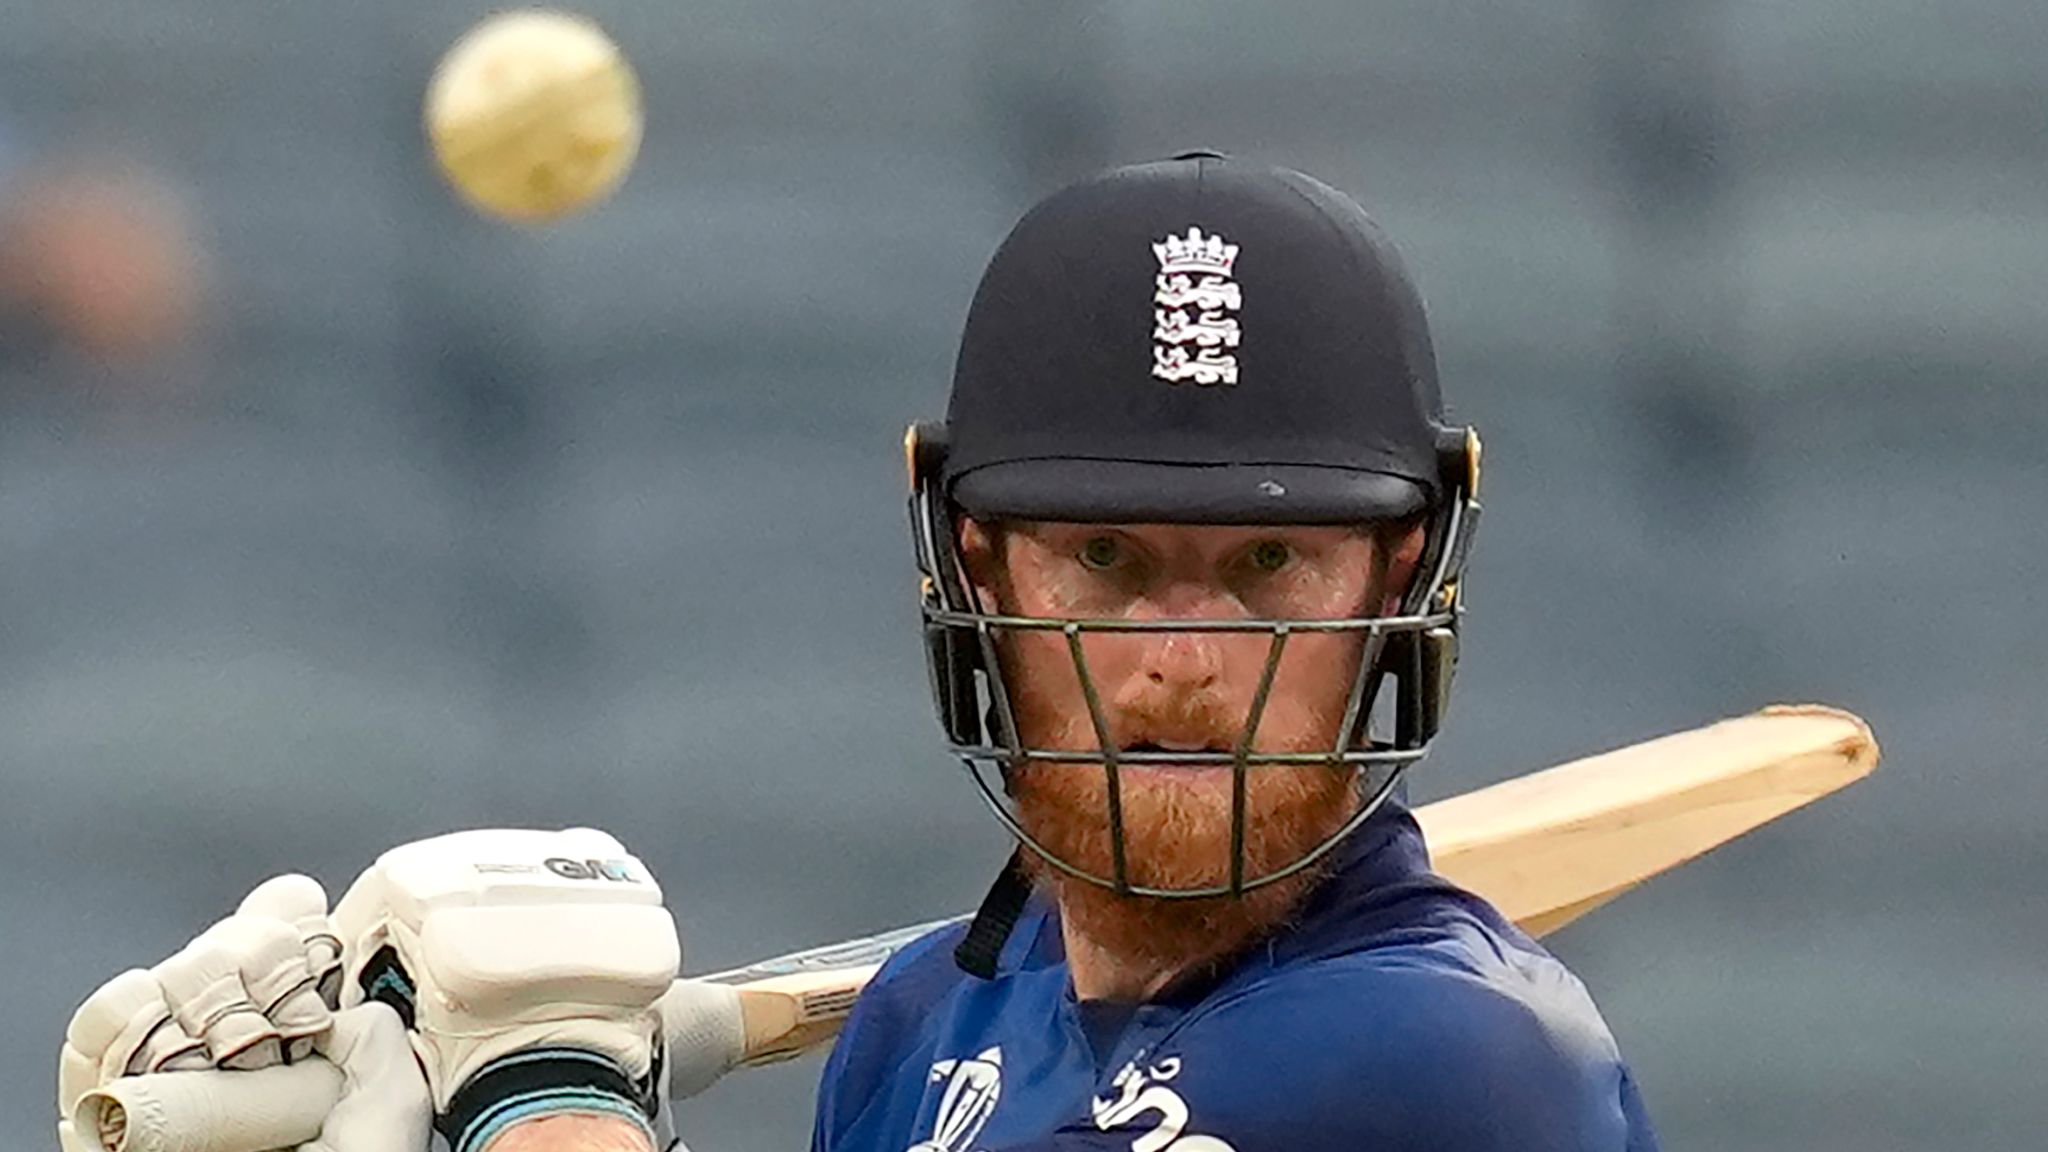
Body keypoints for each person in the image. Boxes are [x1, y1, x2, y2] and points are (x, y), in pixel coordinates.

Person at [58, 154, 1659, 1152]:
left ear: (1398, 576)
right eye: (1104, 561)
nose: (1184, 661)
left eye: (1265, 567)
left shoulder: (1459, 1063)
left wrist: (540, 1111)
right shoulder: (920, 1028)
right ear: (973, 566)